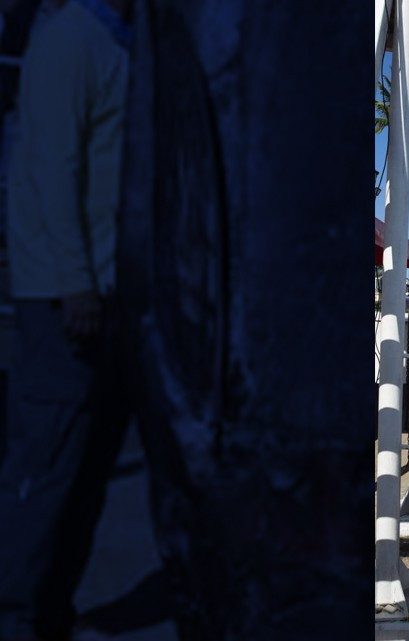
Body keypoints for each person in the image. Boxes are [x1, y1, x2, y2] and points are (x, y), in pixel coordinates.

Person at [0, 1, 132, 639]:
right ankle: (16, 613)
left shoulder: (115, 38)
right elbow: (54, 170)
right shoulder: (71, 37)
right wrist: (76, 283)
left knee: (83, 482)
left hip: (103, 303)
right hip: (64, 307)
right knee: (43, 479)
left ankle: (48, 614)